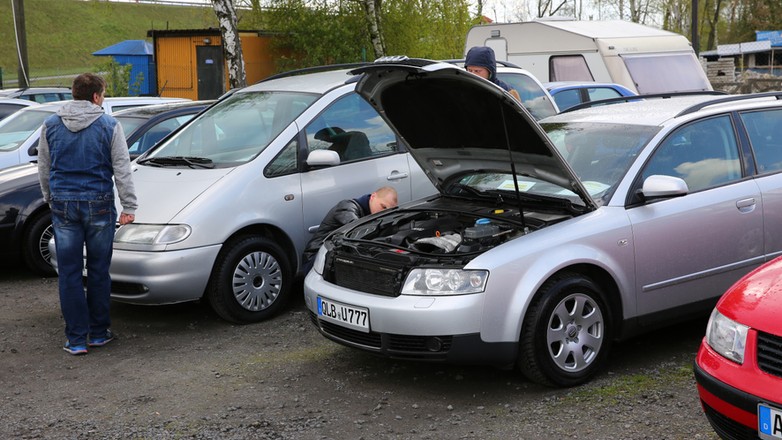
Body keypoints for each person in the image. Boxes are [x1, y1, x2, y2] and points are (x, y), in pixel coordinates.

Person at [37, 73, 138, 355]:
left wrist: (49, 197)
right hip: (100, 204)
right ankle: (98, 332)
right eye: (103, 95)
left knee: (68, 273)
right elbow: (122, 168)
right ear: (96, 96)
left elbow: (44, 167)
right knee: (98, 271)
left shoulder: (51, 124)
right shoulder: (109, 125)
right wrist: (129, 206)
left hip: (63, 205)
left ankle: (77, 339)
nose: (103, 100)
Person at [302, 186, 398, 268]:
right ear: (373, 196)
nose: (383, 213)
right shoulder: (347, 207)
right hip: (315, 259)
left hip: (335, 258)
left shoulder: (373, 215)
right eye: (383, 207)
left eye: (387, 211)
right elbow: (358, 232)